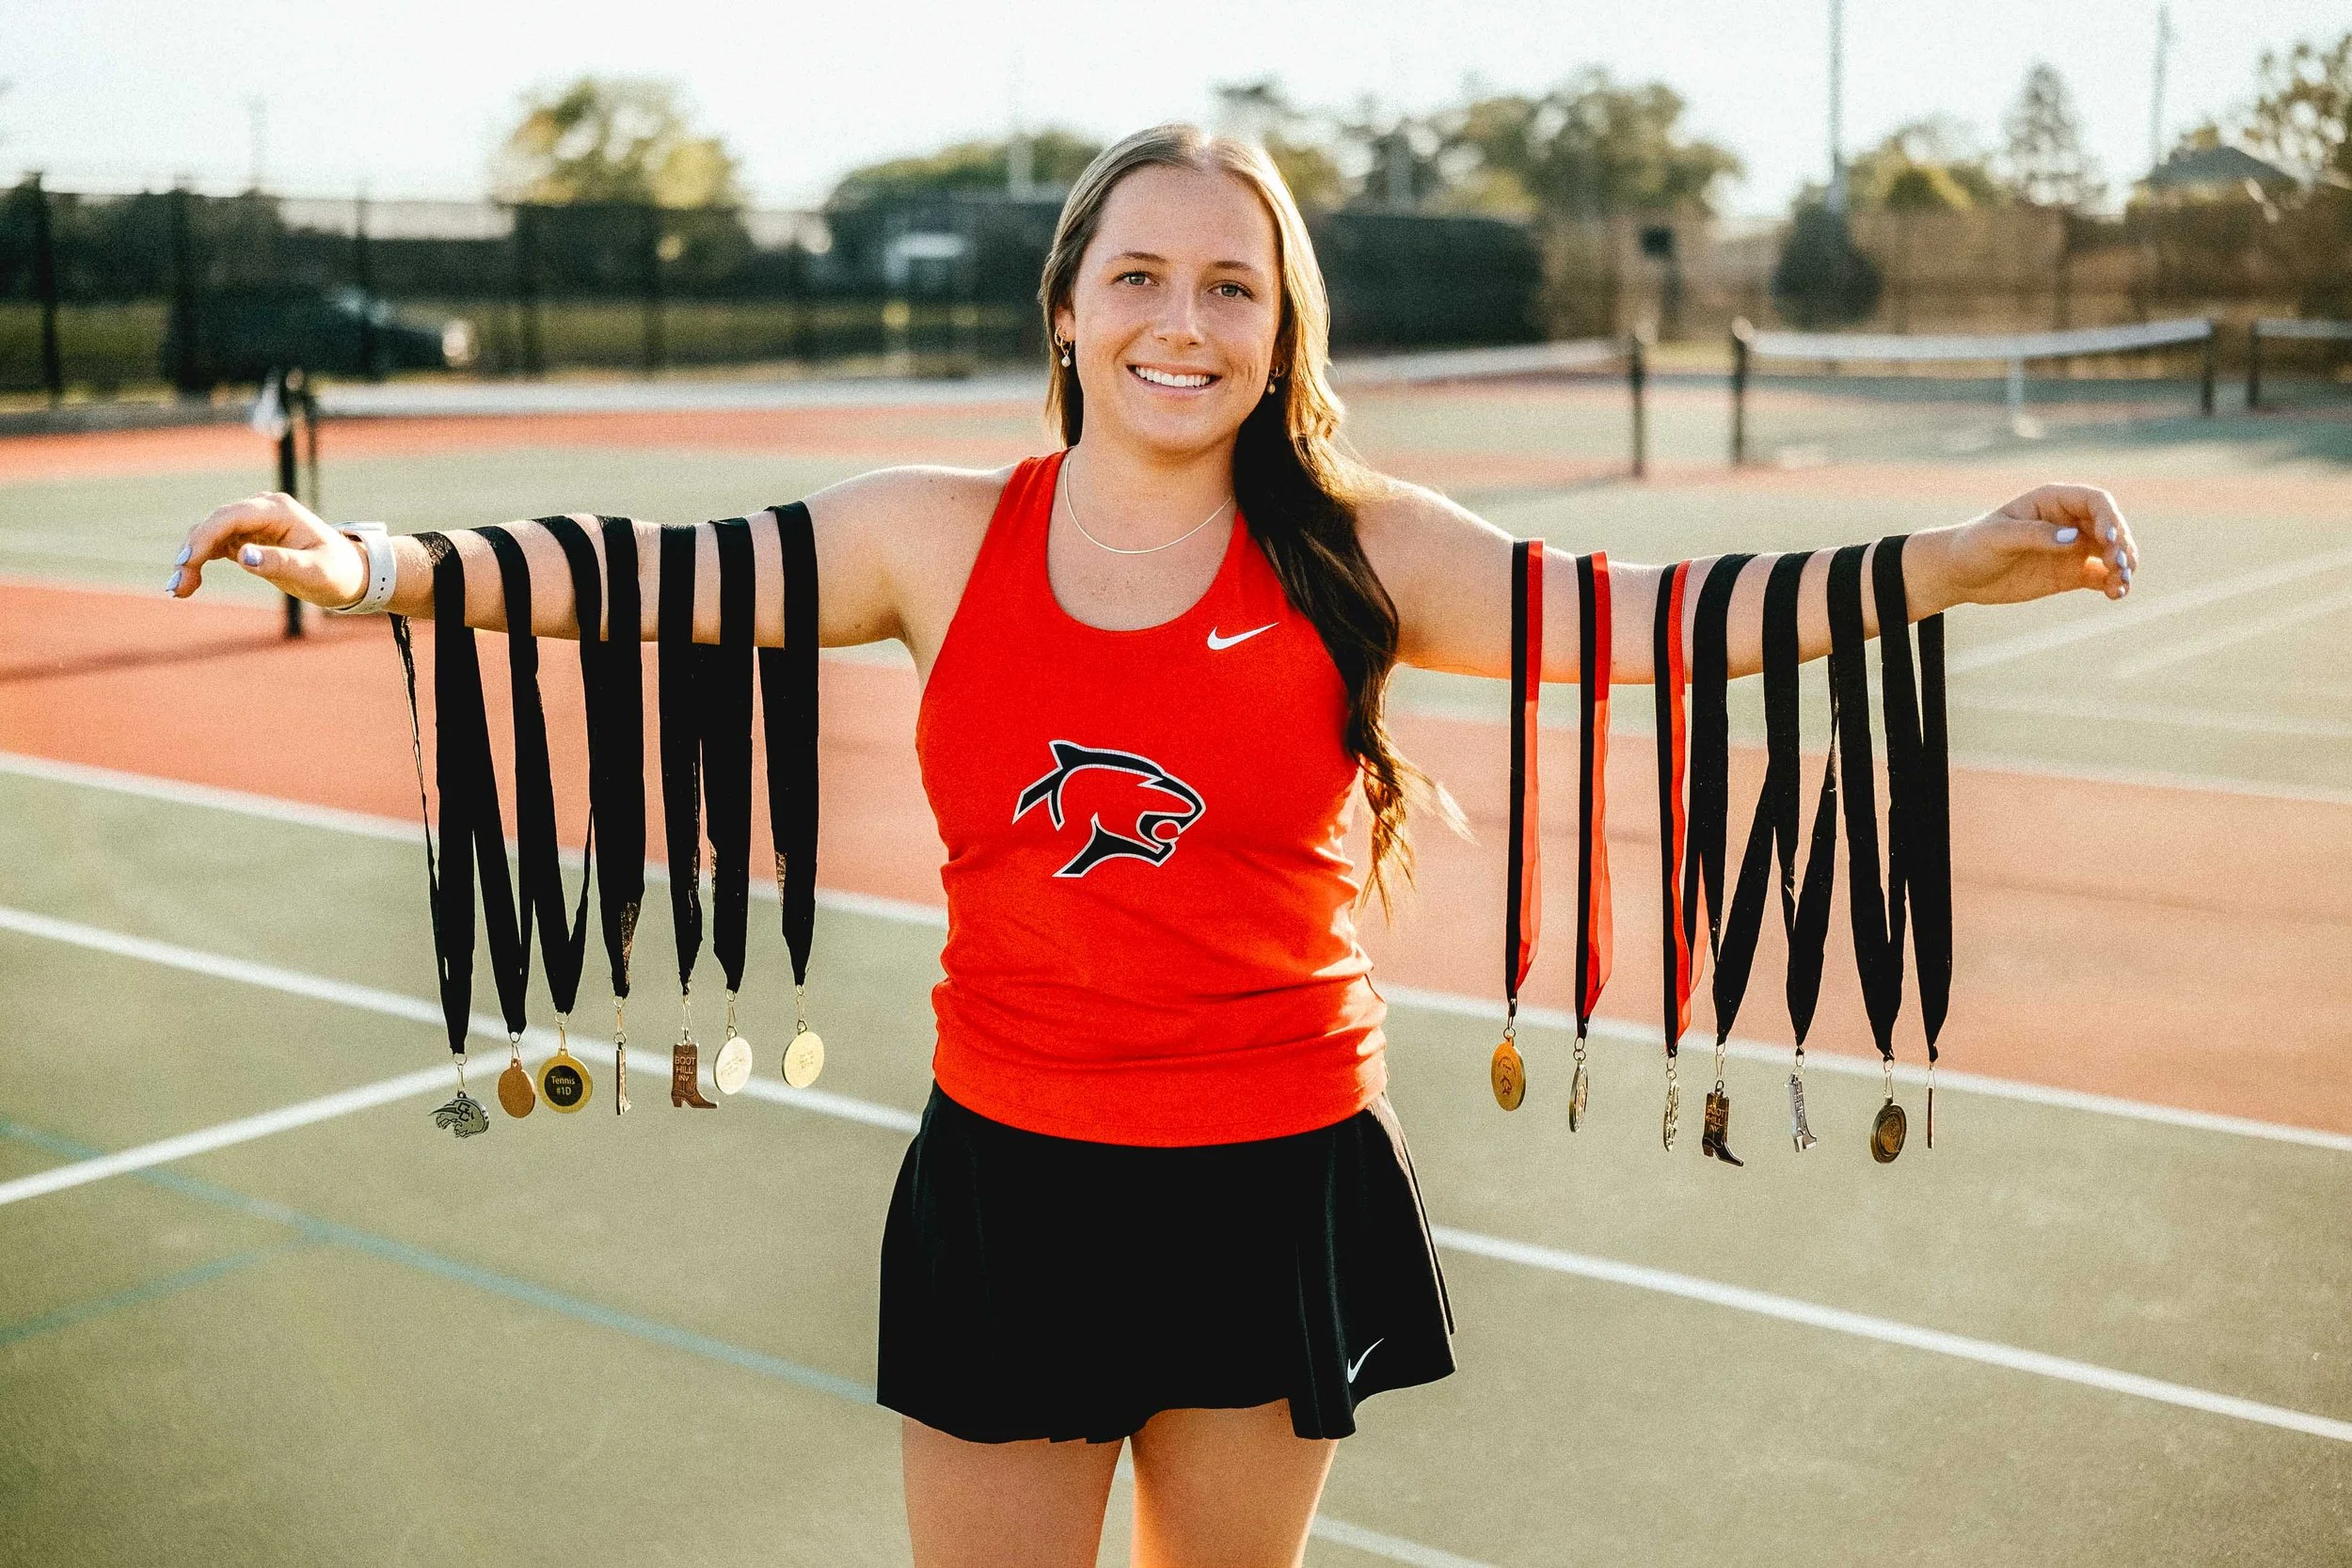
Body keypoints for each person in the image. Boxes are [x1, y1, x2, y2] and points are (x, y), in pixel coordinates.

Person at [168, 123, 2137, 1568]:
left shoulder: (1356, 553)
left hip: (1270, 1184)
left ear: (1278, 326)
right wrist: (379, 564)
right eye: (1137, 275)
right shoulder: (926, 532)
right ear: (1064, 308)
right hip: (1009, 1186)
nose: (1179, 320)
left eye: (1228, 283)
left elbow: (1646, 617)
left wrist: (1938, 565)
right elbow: (652, 581)